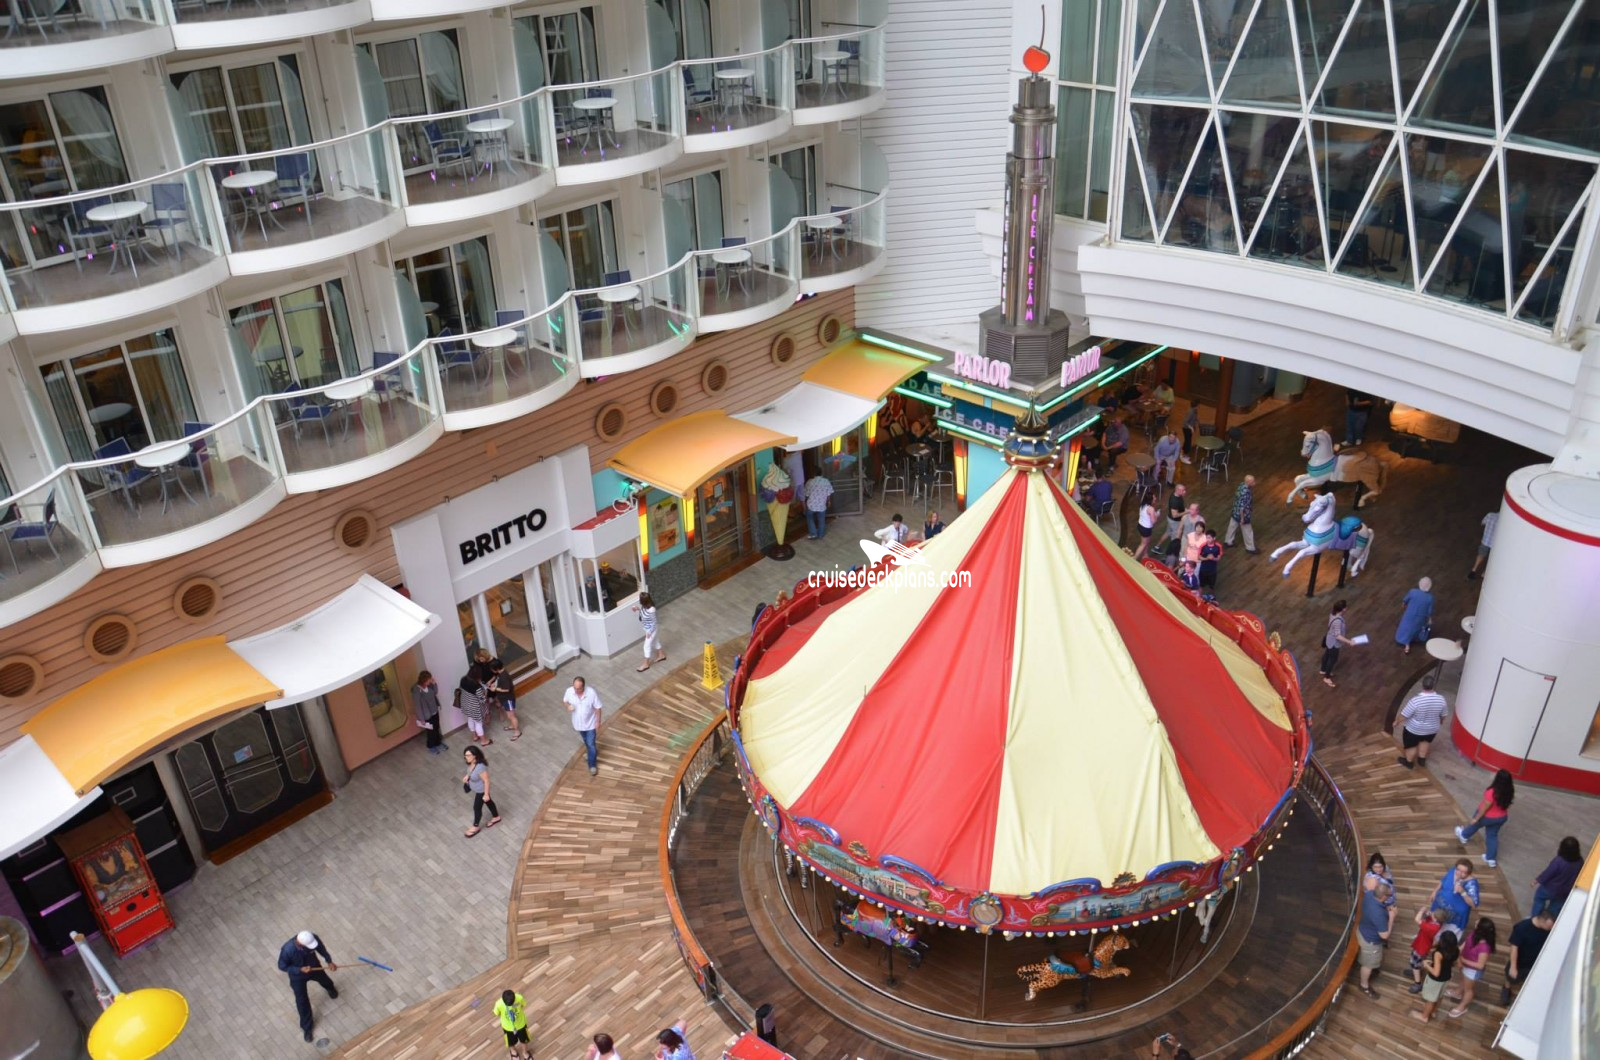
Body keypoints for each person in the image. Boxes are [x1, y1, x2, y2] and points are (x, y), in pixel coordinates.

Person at [277, 929, 338, 1042]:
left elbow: (321, 948)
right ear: (300, 944)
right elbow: (282, 966)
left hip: (314, 968)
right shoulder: (287, 950)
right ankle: (307, 1028)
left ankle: (330, 988)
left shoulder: (312, 938)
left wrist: (329, 961)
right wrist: (299, 969)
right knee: (302, 1001)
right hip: (298, 977)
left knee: (325, 981)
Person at [1456, 768, 1515, 867]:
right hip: (1501, 817)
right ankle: (1490, 858)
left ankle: (1464, 835)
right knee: (1492, 836)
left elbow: (1485, 807)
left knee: (1474, 826)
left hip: (1487, 817)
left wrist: (1476, 818)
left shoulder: (1491, 792)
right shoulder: (1509, 790)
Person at [1500, 910, 1556, 1006]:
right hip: (1521, 961)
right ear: (1542, 921)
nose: (1550, 929)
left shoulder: (1547, 930)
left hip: (1534, 961)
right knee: (1510, 978)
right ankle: (1506, 988)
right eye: (1549, 926)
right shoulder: (1522, 928)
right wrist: (1513, 967)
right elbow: (1514, 947)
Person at [1447, 918, 1495, 1018]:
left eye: (1478, 923)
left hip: (1472, 971)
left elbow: (1480, 965)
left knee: (1468, 989)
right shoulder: (1474, 933)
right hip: (1464, 964)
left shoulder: (1484, 947)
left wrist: (1463, 960)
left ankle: (1462, 1007)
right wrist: (1458, 956)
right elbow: (1465, 944)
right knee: (1464, 980)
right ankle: (1458, 992)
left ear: (1481, 930)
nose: (1475, 922)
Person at [1397, 674, 1448, 769]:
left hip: (1414, 730)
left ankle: (1409, 763)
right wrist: (1441, 721)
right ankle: (1422, 759)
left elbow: (1404, 715)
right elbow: (1443, 715)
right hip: (1432, 729)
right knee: (1425, 742)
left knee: (1411, 746)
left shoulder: (1415, 701)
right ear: (1433, 686)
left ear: (1423, 685)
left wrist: (1396, 722)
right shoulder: (1441, 699)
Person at [1356, 879, 1396, 997]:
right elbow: (1384, 935)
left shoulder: (1369, 894)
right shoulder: (1378, 914)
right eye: (1388, 895)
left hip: (1363, 930)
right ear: (1383, 897)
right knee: (1368, 965)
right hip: (1370, 941)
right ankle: (1364, 985)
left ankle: (1369, 966)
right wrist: (1392, 917)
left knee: (1368, 960)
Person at [1412, 930, 1458, 1023]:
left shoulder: (1438, 953)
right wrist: (1436, 963)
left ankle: (1424, 1017)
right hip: (1446, 978)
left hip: (1435, 981)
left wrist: (1426, 965)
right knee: (1439, 997)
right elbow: (1453, 963)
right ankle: (1433, 1011)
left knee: (1430, 999)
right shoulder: (1455, 950)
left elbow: (1436, 973)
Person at [1425, 858, 1480, 935]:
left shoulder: (1472, 884)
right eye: (1458, 870)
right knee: (1431, 925)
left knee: (1446, 934)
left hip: (1455, 915)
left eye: (1464, 872)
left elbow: (1473, 904)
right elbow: (1443, 881)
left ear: (1469, 873)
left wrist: (1463, 892)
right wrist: (1434, 891)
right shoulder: (1453, 870)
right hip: (1439, 906)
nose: (1459, 873)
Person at [1532, 836, 1583, 917]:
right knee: (1554, 909)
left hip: (1550, 888)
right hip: (1565, 892)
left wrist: (1537, 880)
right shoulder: (1580, 862)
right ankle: (1549, 920)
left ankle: (1535, 918)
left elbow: (1548, 873)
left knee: (1539, 899)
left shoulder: (1558, 861)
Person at [564, 676, 603, 776]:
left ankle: (592, 765)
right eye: (575, 688)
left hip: (590, 724)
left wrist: (598, 721)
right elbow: (565, 701)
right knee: (587, 741)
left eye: (578, 688)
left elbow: (598, 708)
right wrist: (568, 706)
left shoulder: (591, 693)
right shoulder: (569, 691)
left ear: (583, 687)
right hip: (578, 724)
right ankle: (591, 753)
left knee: (590, 743)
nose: (576, 690)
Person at [1408, 907, 1449, 992]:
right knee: (1417, 961)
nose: (1432, 913)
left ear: (1436, 918)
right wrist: (1428, 914)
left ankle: (1417, 983)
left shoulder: (1431, 927)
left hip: (1421, 947)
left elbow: (1417, 919)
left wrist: (1421, 911)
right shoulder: (1437, 923)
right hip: (1422, 945)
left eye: (1433, 914)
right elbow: (1428, 918)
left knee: (1415, 964)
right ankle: (1416, 972)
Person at [462, 745, 500, 837]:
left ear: (475, 755)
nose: (466, 757)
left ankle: (475, 826)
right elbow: (471, 772)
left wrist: (486, 794)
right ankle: (496, 817)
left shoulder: (480, 767)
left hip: (481, 791)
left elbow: (486, 781)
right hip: (477, 789)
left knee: (477, 808)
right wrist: (467, 776)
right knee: (489, 802)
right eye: (465, 755)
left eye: (468, 755)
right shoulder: (472, 763)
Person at [1319, 600, 1356, 688]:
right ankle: (1327, 677)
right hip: (1334, 643)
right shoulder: (1338, 621)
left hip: (1329, 639)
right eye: (1345, 607)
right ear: (1342, 609)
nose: (1346, 608)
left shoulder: (1332, 614)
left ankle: (1323, 669)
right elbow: (1338, 636)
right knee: (1332, 659)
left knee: (1327, 655)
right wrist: (1349, 641)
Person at [1394, 576, 1435, 655]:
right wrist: (1429, 618)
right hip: (1421, 617)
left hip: (1410, 614)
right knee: (1416, 628)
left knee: (1406, 627)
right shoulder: (1430, 598)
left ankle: (1406, 643)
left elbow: (1405, 601)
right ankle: (1413, 639)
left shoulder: (1413, 592)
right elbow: (1429, 611)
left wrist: (1404, 605)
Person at [493, 988, 533, 1060]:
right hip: (507, 1027)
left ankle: (525, 1052)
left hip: (521, 1024)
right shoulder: (498, 1004)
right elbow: (497, 1013)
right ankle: (513, 1051)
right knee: (510, 1042)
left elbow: (523, 1005)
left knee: (524, 1040)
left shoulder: (519, 998)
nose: (510, 1006)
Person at [413, 670, 446, 754]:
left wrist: (434, 684)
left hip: (435, 711)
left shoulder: (430, 685)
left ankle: (438, 743)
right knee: (431, 732)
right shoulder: (417, 691)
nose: (430, 681)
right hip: (427, 715)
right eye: (429, 680)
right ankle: (431, 746)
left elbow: (435, 692)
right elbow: (418, 706)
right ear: (424, 680)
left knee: (436, 728)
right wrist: (421, 719)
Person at [487, 658, 520, 740]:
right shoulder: (501, 673)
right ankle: (512, 725)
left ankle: (517, 732)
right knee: (509, 715)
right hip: (504, 699)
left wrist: (495, 689)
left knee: (511, 716)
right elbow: (499, 682)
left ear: (496, 669)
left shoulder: (504, 677)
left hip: (508, 699)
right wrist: (494, 685)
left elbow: (507, 689)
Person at [1224, 475, 1258, 554]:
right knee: (1248, 531)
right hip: (1243, 514)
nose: (1254, 483)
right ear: (1248, 482)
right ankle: (1250, 548)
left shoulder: (1241, 485)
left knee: (1232, 526)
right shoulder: (1245, 492)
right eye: (1253, 481)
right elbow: (1242, 507)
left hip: (1235, 511)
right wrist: (1242, 518)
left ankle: (1228, 541)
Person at [634, 592, 665, 672]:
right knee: (655, 641)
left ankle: (646, 664)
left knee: (646, 646)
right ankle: (661, 655)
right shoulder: (644, 606)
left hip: (651, 630)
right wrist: (638, 609)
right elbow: (644, 615)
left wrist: (650, 632)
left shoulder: (651, 609)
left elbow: (654, 622)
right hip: (648, 629)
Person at [458, 672, 491, 746]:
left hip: (465, 704)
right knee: (478, 723)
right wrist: (485, 692)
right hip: (475, 707)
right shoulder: (476, 686)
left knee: (470, 719)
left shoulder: (463, 679)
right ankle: (483, 741)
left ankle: (474, 736)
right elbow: (483, 700)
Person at [1157, 484, 1187, 553]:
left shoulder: (1177, 495)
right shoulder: (1174, 501)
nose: (1185, 492)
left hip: (1171, 519)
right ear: (1178, 490)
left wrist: (1184, 510)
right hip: (1174, 522)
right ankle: (1172, 553)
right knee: (1175, 538)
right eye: (1183, 490)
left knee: (1167, 532)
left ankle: (1157, 546)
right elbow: (1175, 515)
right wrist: (1186, 512)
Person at [803, 473, 833, 539]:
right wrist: (828, 501)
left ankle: (813, 534)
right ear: (821, 474)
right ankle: (821, 534)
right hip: (822, 505)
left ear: (814, 474)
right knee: (821, 520)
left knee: (810, 518)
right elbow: (829, 493)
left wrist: (805, 503)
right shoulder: (826, 481)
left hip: (811, 505)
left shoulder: (809, 482)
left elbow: (806, 494)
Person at [1469, 511, 1497, 580]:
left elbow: (1482, 523)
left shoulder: (1490, 515)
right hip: (1495, 544)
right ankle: (1484, 573)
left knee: (1481, 555)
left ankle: (1474, 569)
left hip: (1486, 540)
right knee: (1491, 559)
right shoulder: (1504, 521)